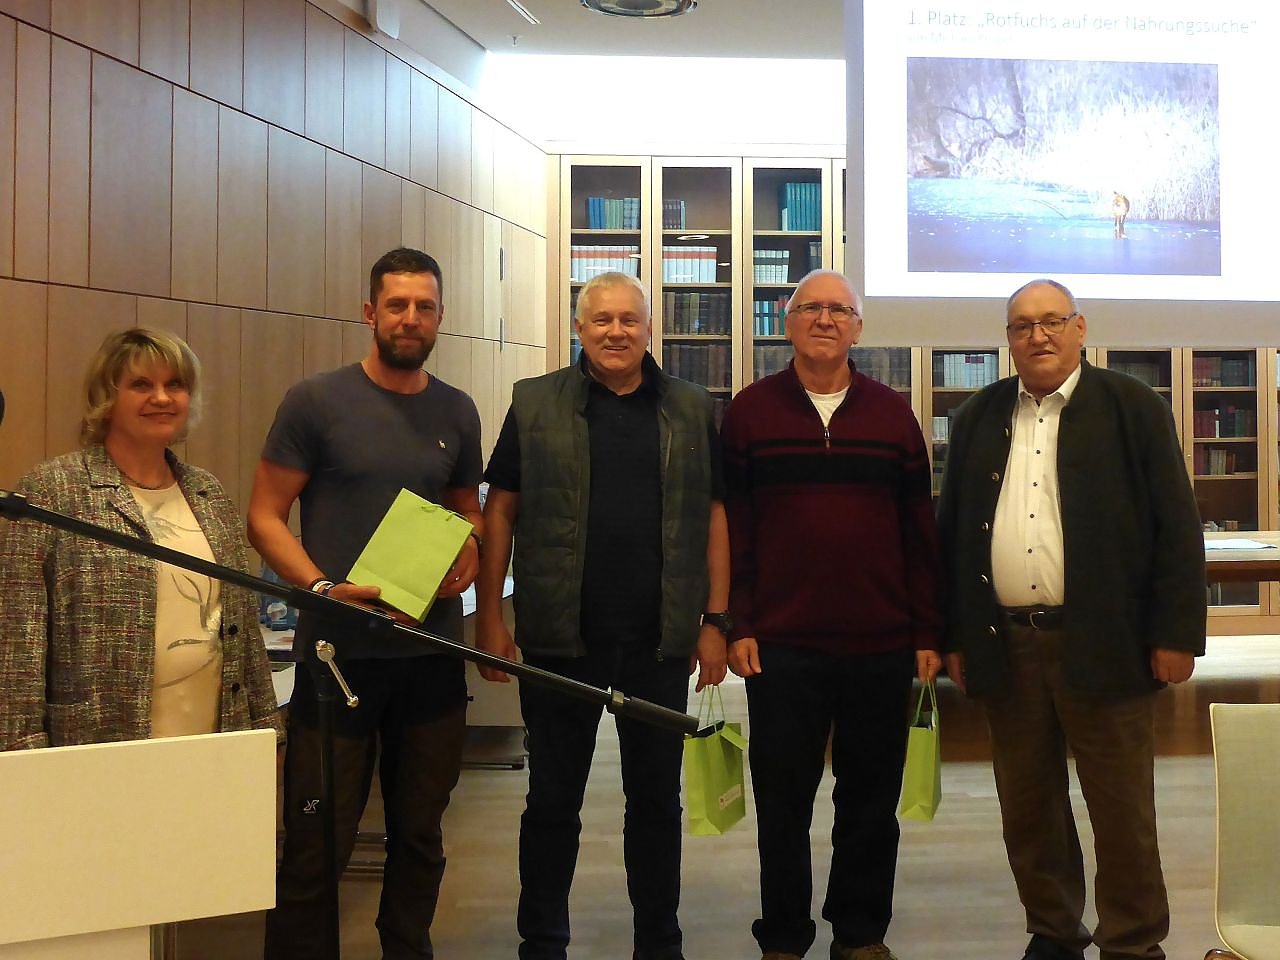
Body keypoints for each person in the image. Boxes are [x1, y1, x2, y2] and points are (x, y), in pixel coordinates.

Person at [936, 278, 1206, 960]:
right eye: (1023, 325)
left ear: (1080, 329)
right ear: (1009, 339)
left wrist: (1176, 634)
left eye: (1052, 321)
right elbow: (955, 534)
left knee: (1121, 808)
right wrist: (955, 637)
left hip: (1109, 642)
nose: (1039, 336)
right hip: (1005, 644)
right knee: (1028, 807)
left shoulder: (1132, 407)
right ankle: (1054, 931)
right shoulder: (977, 417)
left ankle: (1133, 941)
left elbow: (1177, 525)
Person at [475, 270, 729, 960]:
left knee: (656, 804)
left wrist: (715, 620)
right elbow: (502, 511)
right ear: (579, 328)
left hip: (659, 641)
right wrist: (491, 616)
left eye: (629, 320)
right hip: (561, 640)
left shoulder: (692, 408)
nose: (616, 332)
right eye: (602, 320)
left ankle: (659, 942)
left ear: (649, 328)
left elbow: (713, 515)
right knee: (552, 803)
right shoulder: (534, 403)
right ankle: (542, 942)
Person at [250, 248, 483, 960]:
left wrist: (468, 551)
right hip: (336, 659)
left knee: (420, 835)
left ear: (440, 317)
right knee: (317, 841)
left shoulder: (457, 410)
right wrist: (320, 588)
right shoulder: (315, 402)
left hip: (431, 657)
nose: (410, 318)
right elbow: (264, 516)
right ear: (369, 313)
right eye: (396, 305)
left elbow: (466, 512)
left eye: (424, 307)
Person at [720, 269, 942, 960]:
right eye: (811, 308)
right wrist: (737, 622)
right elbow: (734, 528)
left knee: (870, 800)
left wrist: (927, 631)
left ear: (858, 328)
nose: (825, 319)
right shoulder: (749, 412)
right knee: (782, 801)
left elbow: (919, 530)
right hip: (780, 643)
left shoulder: (892, 414)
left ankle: (860, 931)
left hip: (881, 642)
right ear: (786, 323)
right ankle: (784, 935)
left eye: (839, 310)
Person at [0, 327, 282, 750]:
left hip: (217, 738)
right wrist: (21, 751)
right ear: (107, 397)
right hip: (99, 742)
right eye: (141, 385)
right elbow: (19, 641)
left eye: (175, 385)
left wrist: (268, 730)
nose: (162, 398)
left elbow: (242, 629)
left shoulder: (208, 493)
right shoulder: (53, 490)